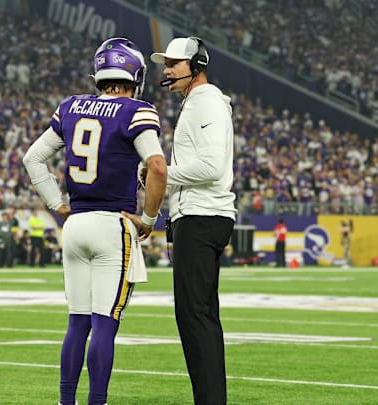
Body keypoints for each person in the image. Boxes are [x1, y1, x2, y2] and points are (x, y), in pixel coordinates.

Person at [23, 37, 167, 405]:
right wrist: (149, 218)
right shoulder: (137, 111)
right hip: (112, 224)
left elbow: (33, 159)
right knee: (104, 324)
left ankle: (65, 401)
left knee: (77, 322)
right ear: (133, 73)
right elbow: (156, 166)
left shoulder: (71, 107)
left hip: (75, 224)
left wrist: (58, 204)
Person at [151, 36, 236, 405]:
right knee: (199, 315)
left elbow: (210, 166)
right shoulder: (199, 102)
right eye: (165, 63)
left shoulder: (206, 102)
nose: (166, 70)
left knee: (194, 316)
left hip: (202, 216)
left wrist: (160, 174)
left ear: (197, 66)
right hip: (202, 215)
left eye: (174, 63)